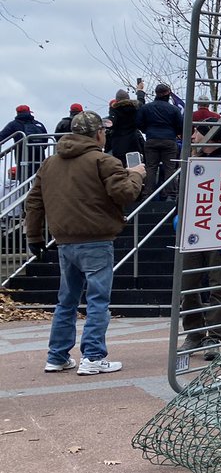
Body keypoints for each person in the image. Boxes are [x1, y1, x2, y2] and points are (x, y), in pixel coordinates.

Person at [25, 110, 145, 375]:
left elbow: (34, 202)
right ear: (99, 133)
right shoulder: (103, 160)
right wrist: (136, 174)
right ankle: (92, 357)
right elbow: (125, 193)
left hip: (65, 241)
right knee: (97, 301)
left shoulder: (50, 163)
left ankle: (57, 356)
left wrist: (34, 237)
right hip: (97, 240)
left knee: (66, 301)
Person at [179, 124, 221, 360]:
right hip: (193, 231)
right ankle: (194, 332)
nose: (192, 137)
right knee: (188, 285)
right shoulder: (191, 161)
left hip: (219, 232)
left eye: (197, 132)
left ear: (210, 135)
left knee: (216, 286)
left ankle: (214, 336)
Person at [137, 83, 184, 200]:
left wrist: (148, 131)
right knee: (170, 168)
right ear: (168, 94)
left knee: (151, 168)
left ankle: (147, 195)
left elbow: (139, 123)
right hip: (169, 141)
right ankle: (171, 195)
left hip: (151, 139)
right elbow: (181, 126)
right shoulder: (174, 109)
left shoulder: (146, 108)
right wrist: (173, 133)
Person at [0, 104, 49, 182]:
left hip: (22, 157)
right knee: (39, 181)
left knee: (23, 181)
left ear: (17, 113)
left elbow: (1, 137)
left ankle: (24, 192)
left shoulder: (13, 124)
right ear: (29, 112)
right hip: (39, 156)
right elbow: (46, 140)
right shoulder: (38, 124)